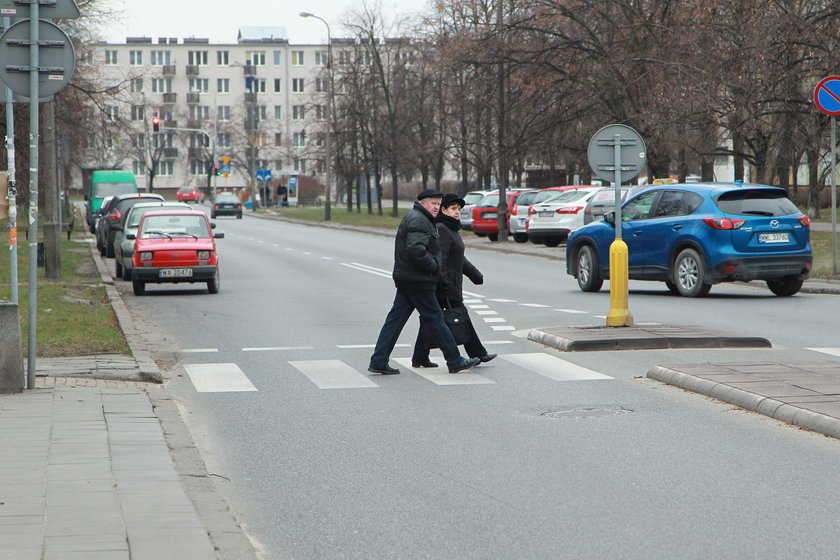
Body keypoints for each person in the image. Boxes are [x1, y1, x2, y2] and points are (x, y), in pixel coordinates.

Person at [369, 189, 481, 375]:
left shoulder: (421, 218)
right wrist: (434, 267)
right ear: (423, 203)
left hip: (409, 278)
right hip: (418, 279)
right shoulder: (419, 220)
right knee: (436, 319)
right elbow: (415, 249)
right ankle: (454, 360)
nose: (436, 207)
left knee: (395, 320)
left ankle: (379, 360)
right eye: (433, 204)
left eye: (438, 204)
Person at [411, 193, 497, 367]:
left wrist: (474, 274)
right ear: (444, 210)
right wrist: (444, 283)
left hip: (450, 283)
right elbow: (440, 259)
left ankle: (419, 357)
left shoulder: (451, 229)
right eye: (453, 208)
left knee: (432, 321)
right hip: (445, 285)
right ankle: (478, 353)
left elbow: (458, 258)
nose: (457, 212)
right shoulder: (442, 229)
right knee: (459, 316)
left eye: (459, 209)